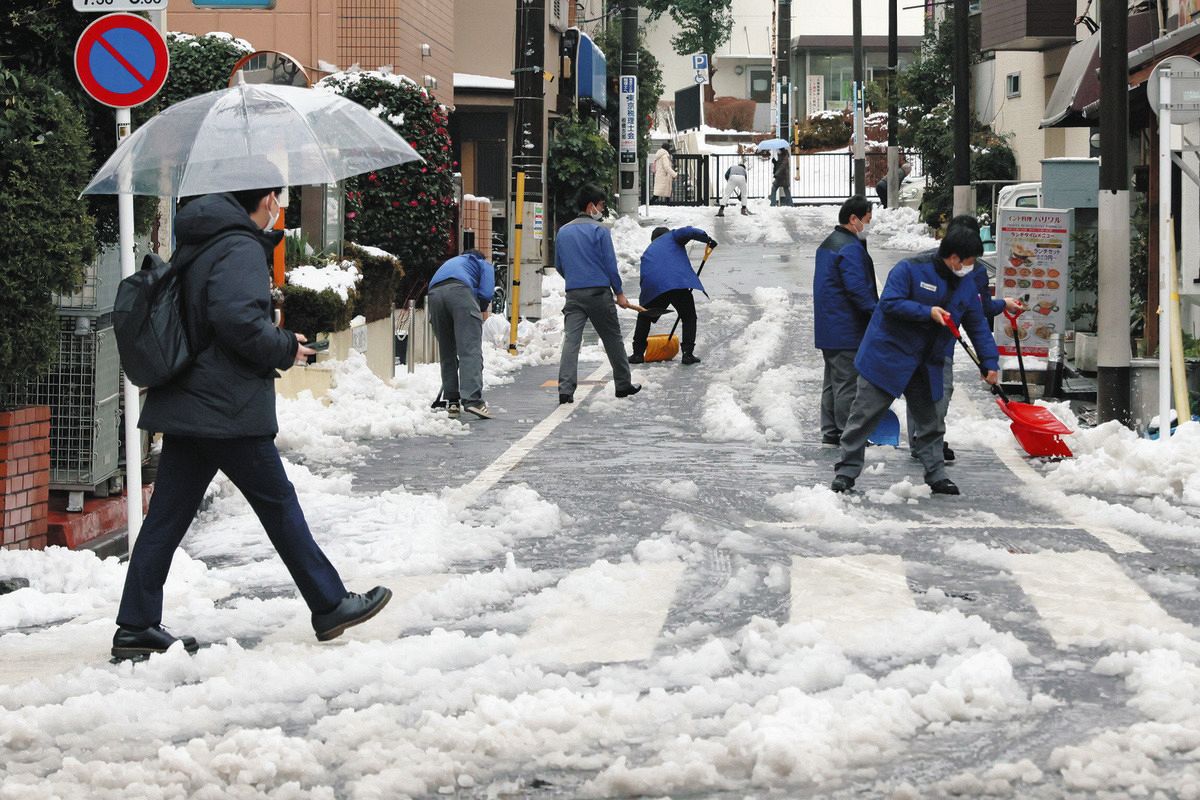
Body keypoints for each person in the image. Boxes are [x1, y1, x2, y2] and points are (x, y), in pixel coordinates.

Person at [112, 185, 391, 660]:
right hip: (227, 405)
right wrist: (284, 345)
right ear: (263, 200)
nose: (278, 208)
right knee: (278, 503)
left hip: (191, 399)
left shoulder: (200, 239)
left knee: (166, 519)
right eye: (277, 198)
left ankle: (136, 625)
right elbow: (236, 319)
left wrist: (276, 336)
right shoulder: (238, 244)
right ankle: (329, 603)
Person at [831, 225, 1000, 496]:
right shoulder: (910, 269)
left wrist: (990, 362)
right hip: (888, 356)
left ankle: (936, 475)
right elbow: (889, 303)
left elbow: (977, 323)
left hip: (928, 360)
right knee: (864, 415)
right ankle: (846, 472)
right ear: (955, 257)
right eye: (969, 262)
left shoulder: (967, 283)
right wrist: (926, 311)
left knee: (931, 421)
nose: (971, 268)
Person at [906, 214, 1022, 462]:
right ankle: (923, 441)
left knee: (941, 392)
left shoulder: (974, 273)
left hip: (941, 346)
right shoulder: (920, 264)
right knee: (917, 393)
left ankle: (929, 440)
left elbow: (978, 316)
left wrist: (989, 361)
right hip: (911, 344)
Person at [555, 184, 641, 404]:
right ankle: (623, 384)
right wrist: (619, 293)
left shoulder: (563, 232)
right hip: (599, 294)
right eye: (602, 205)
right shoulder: (599, 231)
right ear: (591, 205)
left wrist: (575, 278)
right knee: (612, 338)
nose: (602, 210)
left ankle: (565, 390)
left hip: (573, 294)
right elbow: (610, 265)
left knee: (571, 341)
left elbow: (559, 265)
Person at [813, 195, 877, 445]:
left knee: (833, 381)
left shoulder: (830, 243)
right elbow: (858, 289)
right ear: (854, 219)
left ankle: (831, 430)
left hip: (829, 326)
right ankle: (848, 433)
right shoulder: (848, 247)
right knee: (847, 383)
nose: (869, 226)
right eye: (868, 220)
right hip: (846, 327)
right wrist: (877, 314)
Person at [630, 226, 716, 365]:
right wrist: (706, 239)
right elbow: (689, 231)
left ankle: (637, 354)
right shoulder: (672, 236)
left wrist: (646, 302)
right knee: (688, 317)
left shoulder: (648, 251)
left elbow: (644, 277)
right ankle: (687, 354)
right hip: (677, 283)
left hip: (655, 286)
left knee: (645, 315)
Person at [428, 249, 496, 420]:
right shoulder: (482, 263)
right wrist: (477, 308)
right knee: (469, 349)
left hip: (434, 295)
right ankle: (473, 400)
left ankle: (452, 401)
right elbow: (486, 293)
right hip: (460, 292)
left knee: (447, 352)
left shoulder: (451, 263)